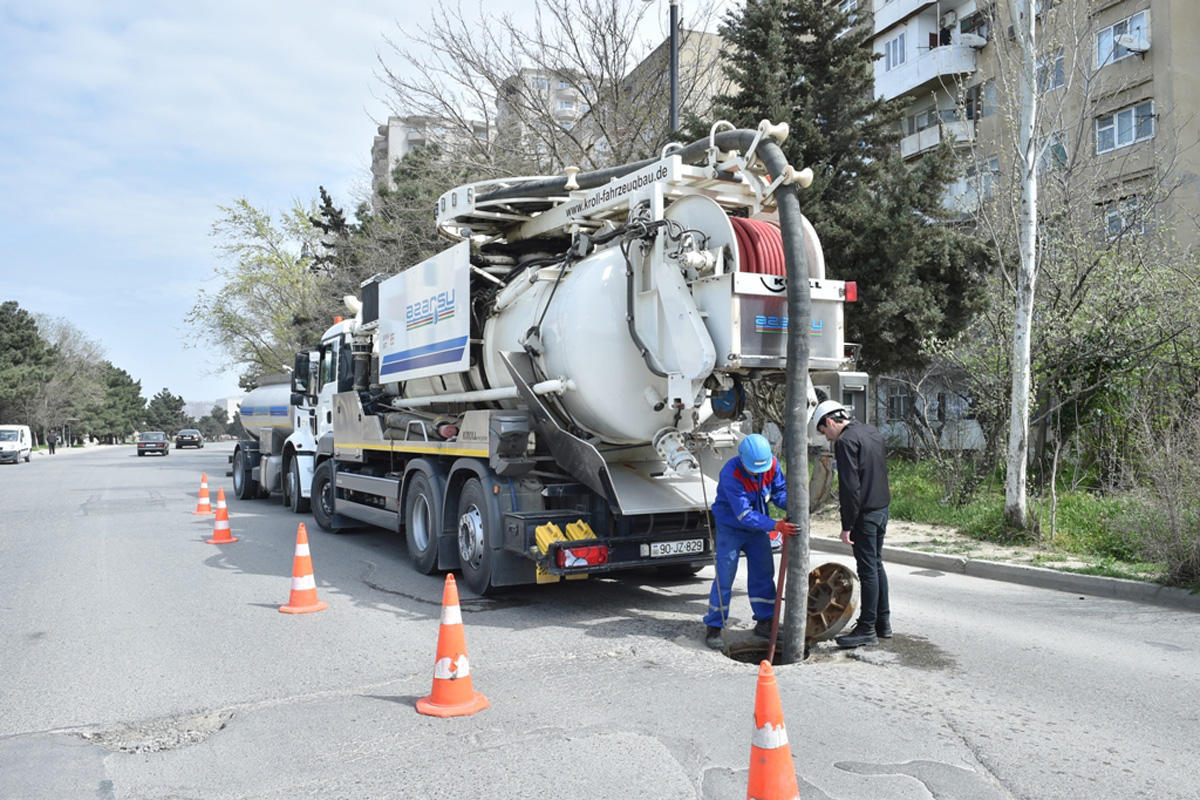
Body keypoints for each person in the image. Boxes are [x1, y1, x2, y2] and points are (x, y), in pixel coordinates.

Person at [703, 433, 799, 650]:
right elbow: (744, 514)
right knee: (725, 577)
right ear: (742, 459)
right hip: (731, 529)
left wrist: (794, 506)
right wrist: (776, 525)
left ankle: (765, 621)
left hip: (757, 529)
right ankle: (714, 626)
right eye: (753, 469)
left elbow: (779, 492)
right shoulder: (731, 472)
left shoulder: (771, 464)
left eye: (761, 469)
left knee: (763, 574)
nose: (758, 473)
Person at [812, 400, 892, 648]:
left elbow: (850, 488)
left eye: (825, 432)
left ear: (830, 422)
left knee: (868, 571)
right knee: (876, 566)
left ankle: (867, 629)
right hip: (882, 508)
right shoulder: (871, 431)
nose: (828, 439)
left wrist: (847, 525)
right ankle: (882, 623)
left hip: (865, 515)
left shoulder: (845, 442)